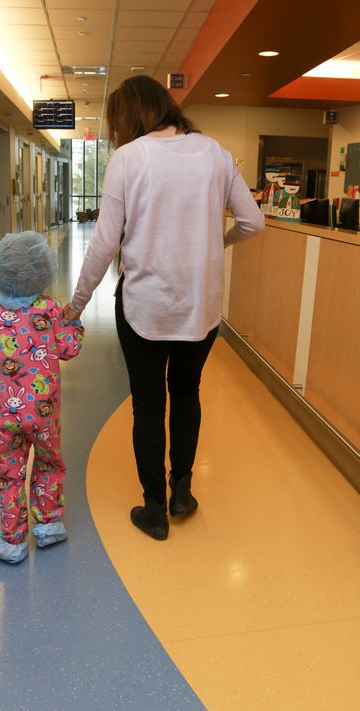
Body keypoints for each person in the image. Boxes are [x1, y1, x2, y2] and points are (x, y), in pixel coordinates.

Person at [64, 75, 264, 541]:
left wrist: (75, 306)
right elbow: (253, 223)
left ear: (129, 116)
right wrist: (218, 241)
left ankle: (154, 509)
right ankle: (182, 492)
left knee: (149, 406)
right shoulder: (215, 152)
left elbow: (103, 243)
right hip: (201, 305)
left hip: (143, 307)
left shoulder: (128, 158)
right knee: (188, 393)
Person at [0, 231, 84, 563]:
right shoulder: (51, 309)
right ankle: (50, 524)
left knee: (9, 474)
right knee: (49, 463)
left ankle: (13, 541)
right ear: (42, 272)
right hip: (44, 414)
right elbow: (70, 348)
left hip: (4, 419)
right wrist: (76, 323)